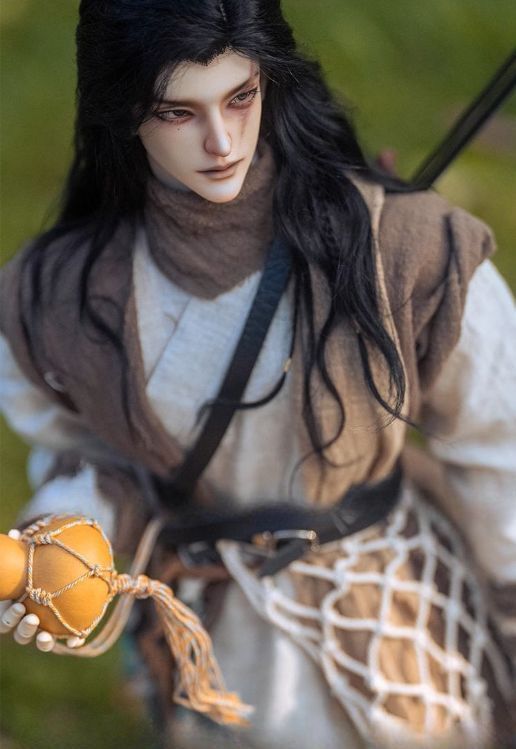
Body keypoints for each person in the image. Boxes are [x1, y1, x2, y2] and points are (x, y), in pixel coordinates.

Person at [0, 1, 515, 747]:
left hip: (393, 636)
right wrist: (57, 548)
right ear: (125, 115)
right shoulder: (63, 297)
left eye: (240, 97)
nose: (221, 141)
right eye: (178, 112)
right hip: (216, 648)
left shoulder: (401, 250)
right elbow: (84, 454)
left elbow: (502, 443)